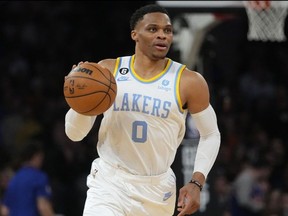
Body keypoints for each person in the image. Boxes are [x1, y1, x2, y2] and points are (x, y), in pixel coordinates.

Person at [65, 4, 221, 216]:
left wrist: (197, 181)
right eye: (153, 29)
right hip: (110, 183)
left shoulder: (188, 81)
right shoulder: (108, 71)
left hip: (157, 190)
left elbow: (211, 134)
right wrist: (78, 101)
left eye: (167, 30)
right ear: (135, 34)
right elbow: (75, 134)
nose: (162, 35)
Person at [0, 140, 55, 216]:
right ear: (37, 156)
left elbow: (4, 210)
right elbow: (43, 206)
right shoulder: (39, 177)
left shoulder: (14, 179)